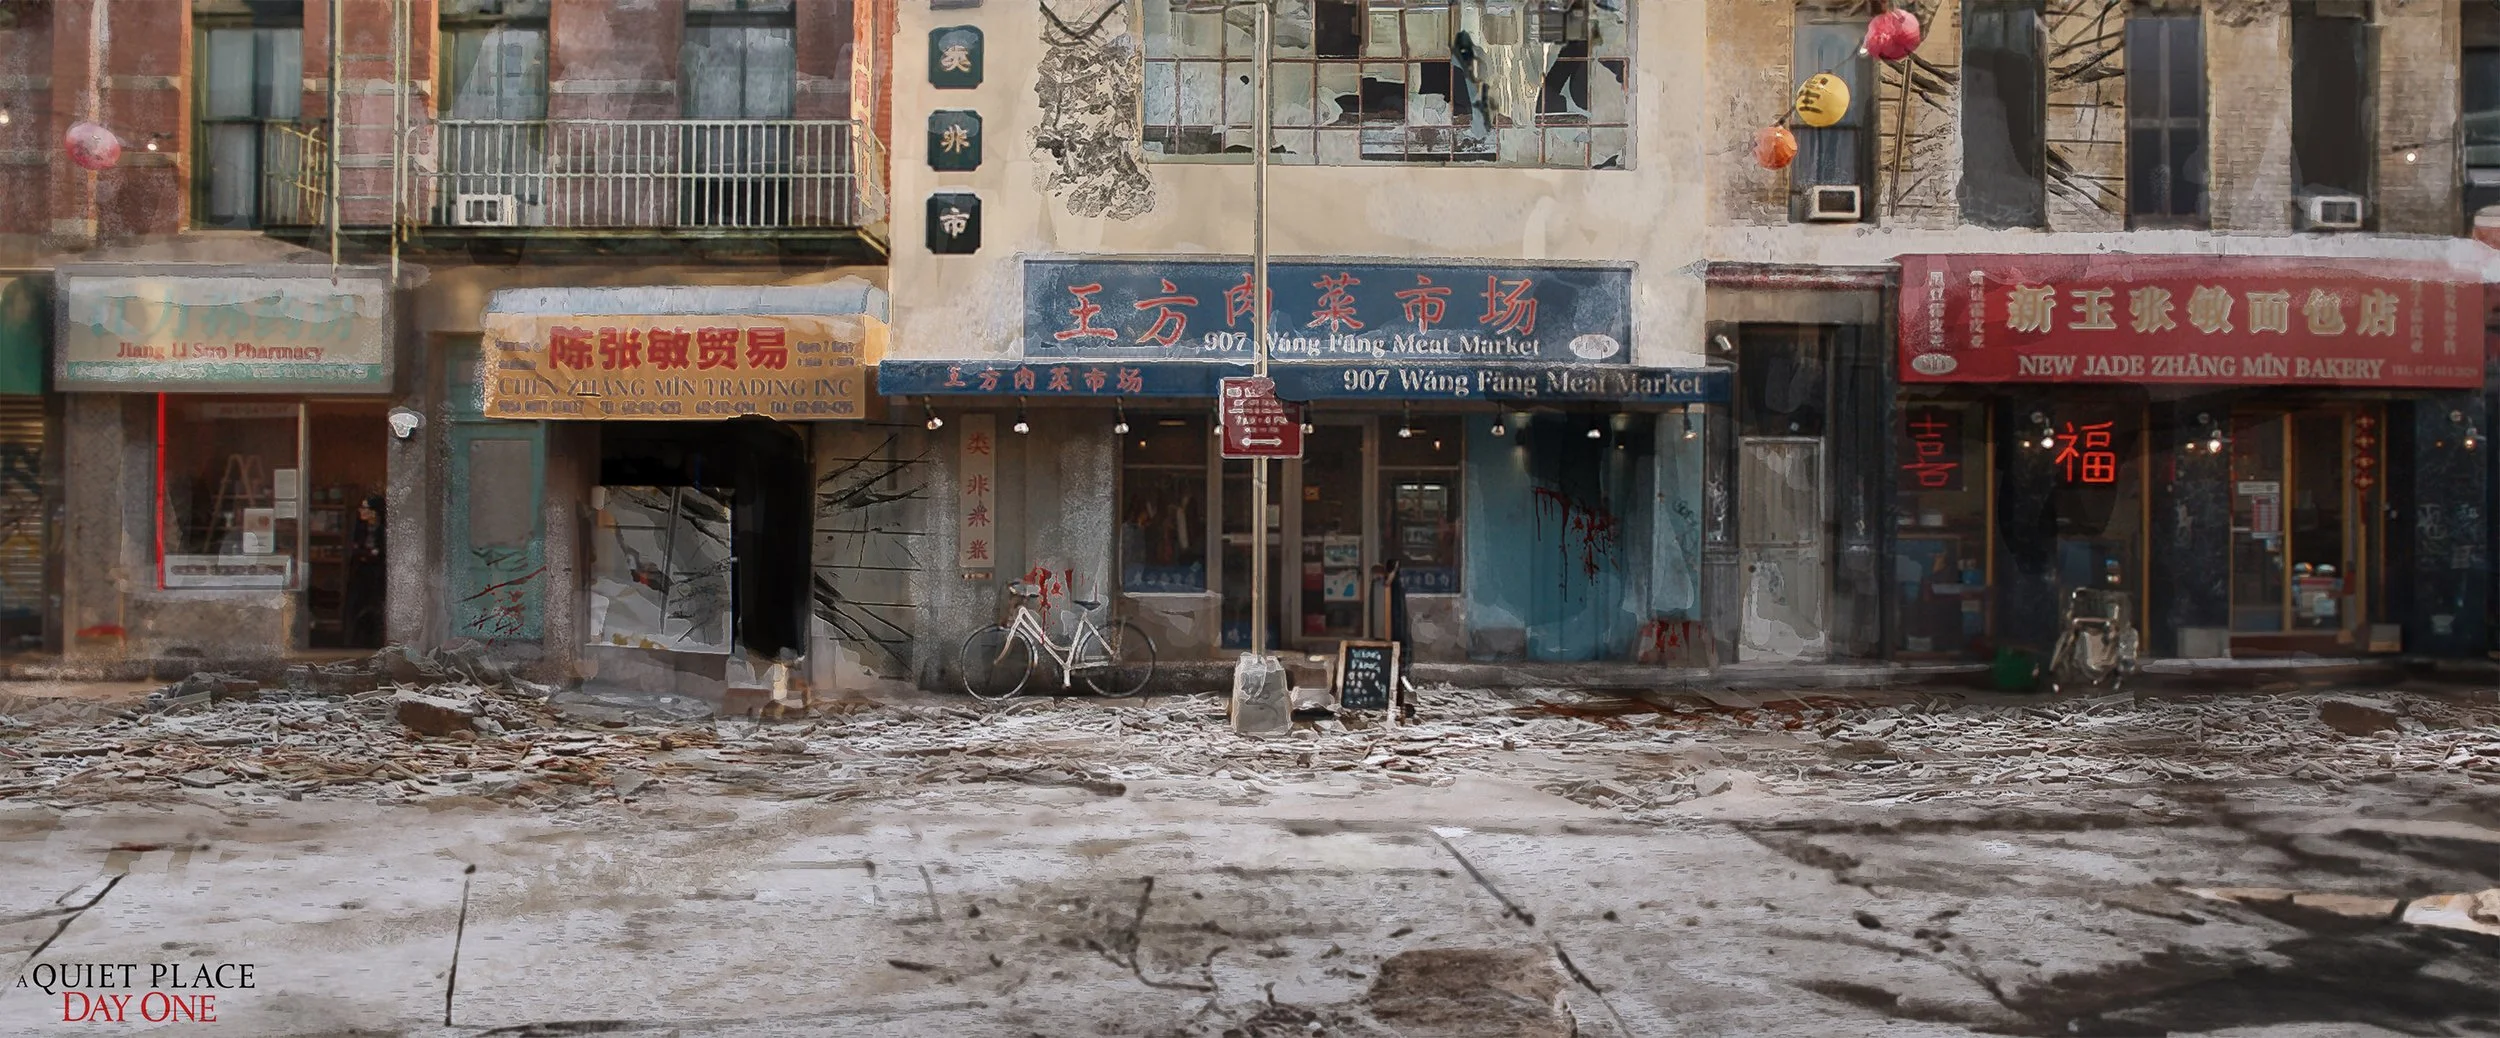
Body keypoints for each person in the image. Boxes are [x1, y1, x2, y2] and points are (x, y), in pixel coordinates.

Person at [344, 494, 387, 648]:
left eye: (365, 508)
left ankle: (375, 641)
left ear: (374, 512)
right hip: (361, 573)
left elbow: (381, 553)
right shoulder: (359, 528)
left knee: (376, 606)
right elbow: (356, 551)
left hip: (377, 575)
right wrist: (367, 554)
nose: (361, 511)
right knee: (357, 605)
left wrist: (371, 554)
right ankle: (355, 641)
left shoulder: (383, 530)